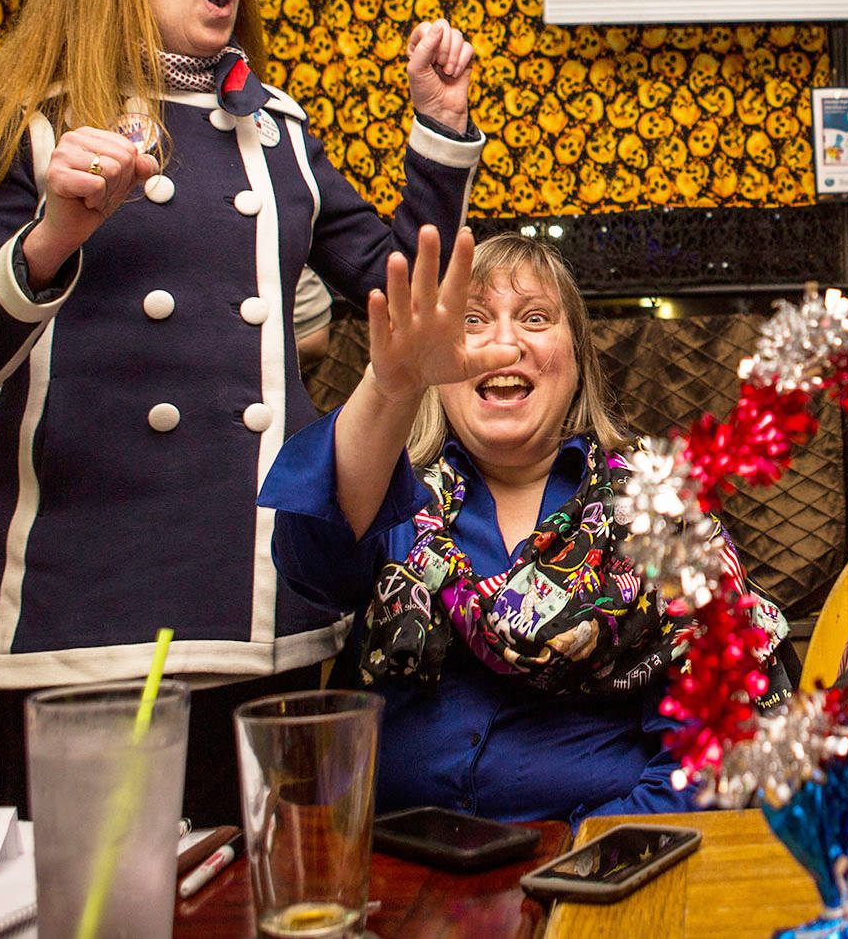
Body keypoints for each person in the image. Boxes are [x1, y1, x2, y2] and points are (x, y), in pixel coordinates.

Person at [0, 0, 486, 818]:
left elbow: (408, 292)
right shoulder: (20, 123)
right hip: (76, 623)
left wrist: (438, 127)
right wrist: (53, 235)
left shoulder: (279, 131)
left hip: (263, 618)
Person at [262, 227, 789, 822]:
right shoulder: (392, 498)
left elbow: (706, 753)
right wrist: (390, 388)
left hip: (598, 871)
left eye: (535, 318)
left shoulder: (661, 513)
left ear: (577, 358)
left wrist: (585, 860)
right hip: (397, 872)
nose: (505, 344)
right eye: (472, 321)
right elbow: (311, 562)